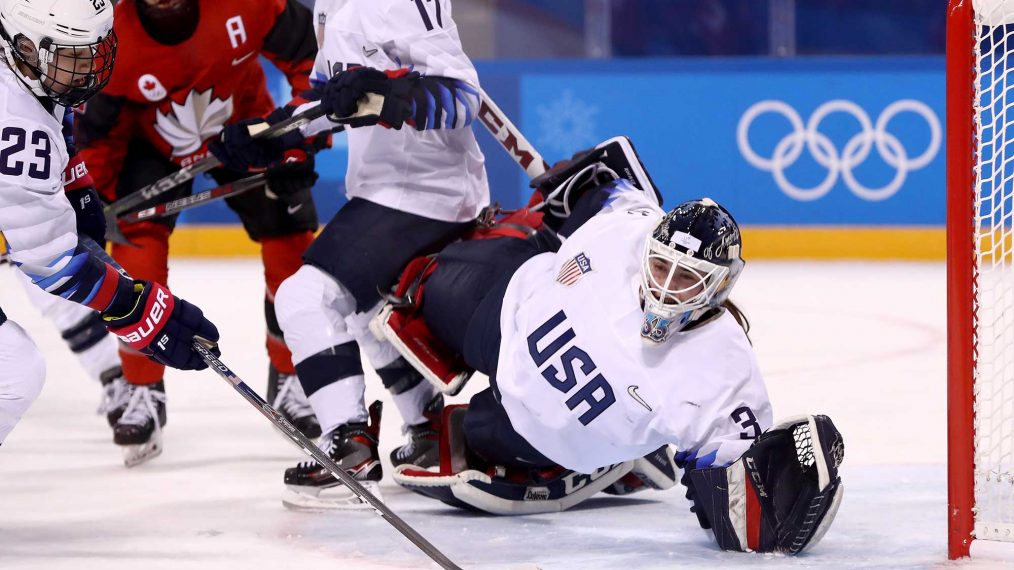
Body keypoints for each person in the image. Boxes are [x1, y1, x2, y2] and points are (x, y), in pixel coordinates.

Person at [380, 139, 845, 553]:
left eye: (688, 278)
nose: (667, 287)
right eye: (662, 267)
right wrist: (577, 182)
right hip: (502, 313)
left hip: (539, 433)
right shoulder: (630, 230)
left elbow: (742, 515)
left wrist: (784, 490)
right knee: (416, 281)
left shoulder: (725, 373)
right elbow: (612, 175)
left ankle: (623, 459)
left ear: (722, 285)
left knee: (474, 433)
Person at [209, 0, 489, 507]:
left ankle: (348, 444)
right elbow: (329, 101)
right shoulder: (331, 7)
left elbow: (463, 97)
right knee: (362, 309)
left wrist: (385, 98)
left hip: (428, 193)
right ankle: (426, 426)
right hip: (390, 191)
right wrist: (272, 135)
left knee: (304, 298)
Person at [74, 0, 325, 466]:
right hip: (150, 147)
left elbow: (310, 56)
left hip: (244, 131)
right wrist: (93, 200)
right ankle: (143, 388)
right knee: (135, 250)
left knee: (291, 241)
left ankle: (292, 372)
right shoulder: (111, 32)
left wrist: (300, 133)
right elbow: (99, 131)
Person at [0, 0, 219, 450]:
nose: (87, 69)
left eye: (93, 50)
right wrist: (135, 309)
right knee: (13, 369)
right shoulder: (17, 123)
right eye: (71, 55)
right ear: (22, 45)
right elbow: (53, 263)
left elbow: (52, 122)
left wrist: (75, 180)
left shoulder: (25, 72)